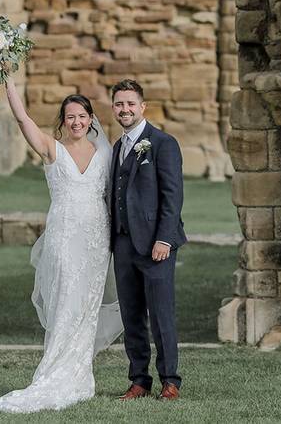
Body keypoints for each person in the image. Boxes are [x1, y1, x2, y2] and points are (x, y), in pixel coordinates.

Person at [0, 79, 122, 413]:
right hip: (64, 238)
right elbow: (23, 120)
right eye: (70, 117)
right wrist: (9, 83)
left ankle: (80, 375)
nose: (76, 122)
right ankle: (53, 373)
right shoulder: (51, 148)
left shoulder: (105, 153)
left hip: (96, 241)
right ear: (62, 121)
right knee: (65, 303)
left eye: (82, 116)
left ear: (91, 119)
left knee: (85, 308)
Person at [109, 79, 187, 401]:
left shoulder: (163, 143)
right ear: (113, 108)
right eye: (119, 104)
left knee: (161, 314)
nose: (124, 109)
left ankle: (170, 380)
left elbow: (173, 196)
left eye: (130, 104)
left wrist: (165, 240)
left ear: (142, 107)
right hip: (124, 244)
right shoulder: (117, 148)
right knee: (131, 315)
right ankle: (139, 380)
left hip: (156, 245)